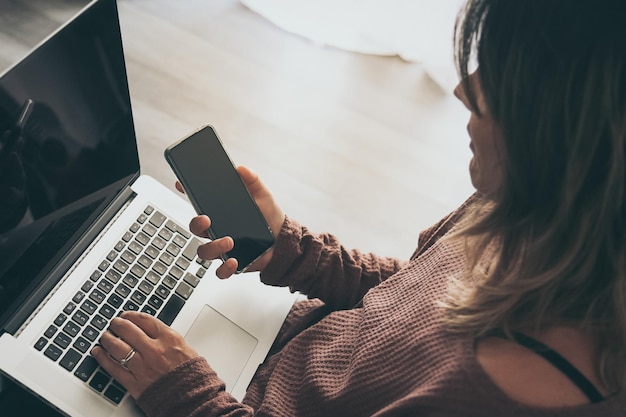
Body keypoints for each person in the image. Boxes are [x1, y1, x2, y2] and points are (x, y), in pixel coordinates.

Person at [91, 0, 626, 415]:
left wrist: (184, 394)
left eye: (507, 79)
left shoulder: (502, 398)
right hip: (265, 350)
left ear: (572, 139)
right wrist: (291, 251)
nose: (464, 90)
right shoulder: (523, 206)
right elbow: (413, 303)